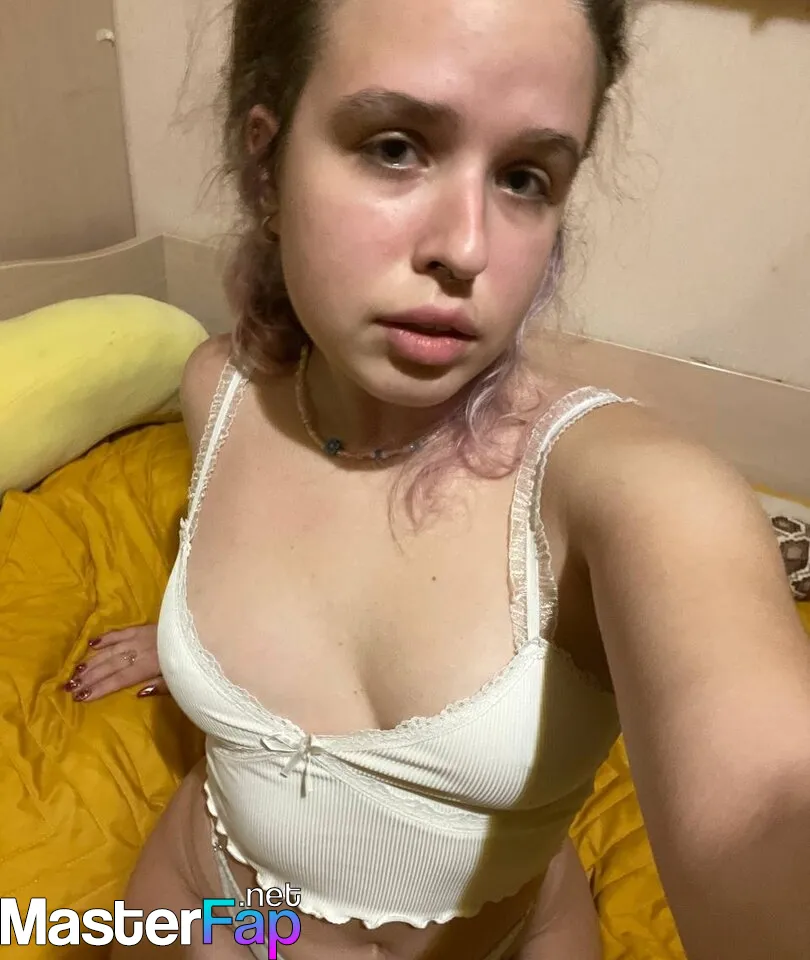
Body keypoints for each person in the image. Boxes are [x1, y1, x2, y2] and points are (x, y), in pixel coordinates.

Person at [66, 0, 810, 956]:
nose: (466, 248)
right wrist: (192, 642)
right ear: (267, 166)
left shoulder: (630, 495)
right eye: (395, 147)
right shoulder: (219, 390)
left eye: (524, 177)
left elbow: (767, 810)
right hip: (206, 905)